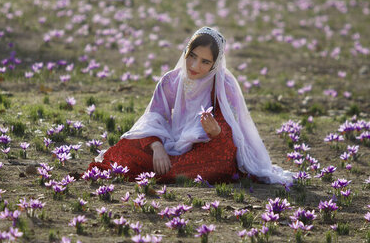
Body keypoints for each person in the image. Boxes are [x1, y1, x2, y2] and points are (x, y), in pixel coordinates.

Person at [86, 26, 293, 185]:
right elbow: (153, 116)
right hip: (169, 143)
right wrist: (156, 146)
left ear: (215, 64)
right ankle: (167, 169)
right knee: (124, 150)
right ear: (186, 51)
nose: (194, 66)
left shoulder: (223, 85)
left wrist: (216, 131)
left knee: (221, 160)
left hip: (203, 150)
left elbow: (234, 132)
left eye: (205, 62)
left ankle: (168, 172)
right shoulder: (171, 81)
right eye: (192, 56)